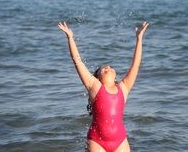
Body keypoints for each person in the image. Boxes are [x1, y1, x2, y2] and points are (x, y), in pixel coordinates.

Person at [58, 21, 149, 152]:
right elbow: (77, 61)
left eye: (110, 67)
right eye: (103, 68)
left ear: (116, 76)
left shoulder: (123, 88)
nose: (108, 67)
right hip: (97, 141)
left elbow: (136, 64)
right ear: (98, 77)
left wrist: (139, 39)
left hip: (120, 142)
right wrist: (70, 38)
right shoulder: (95, 87)